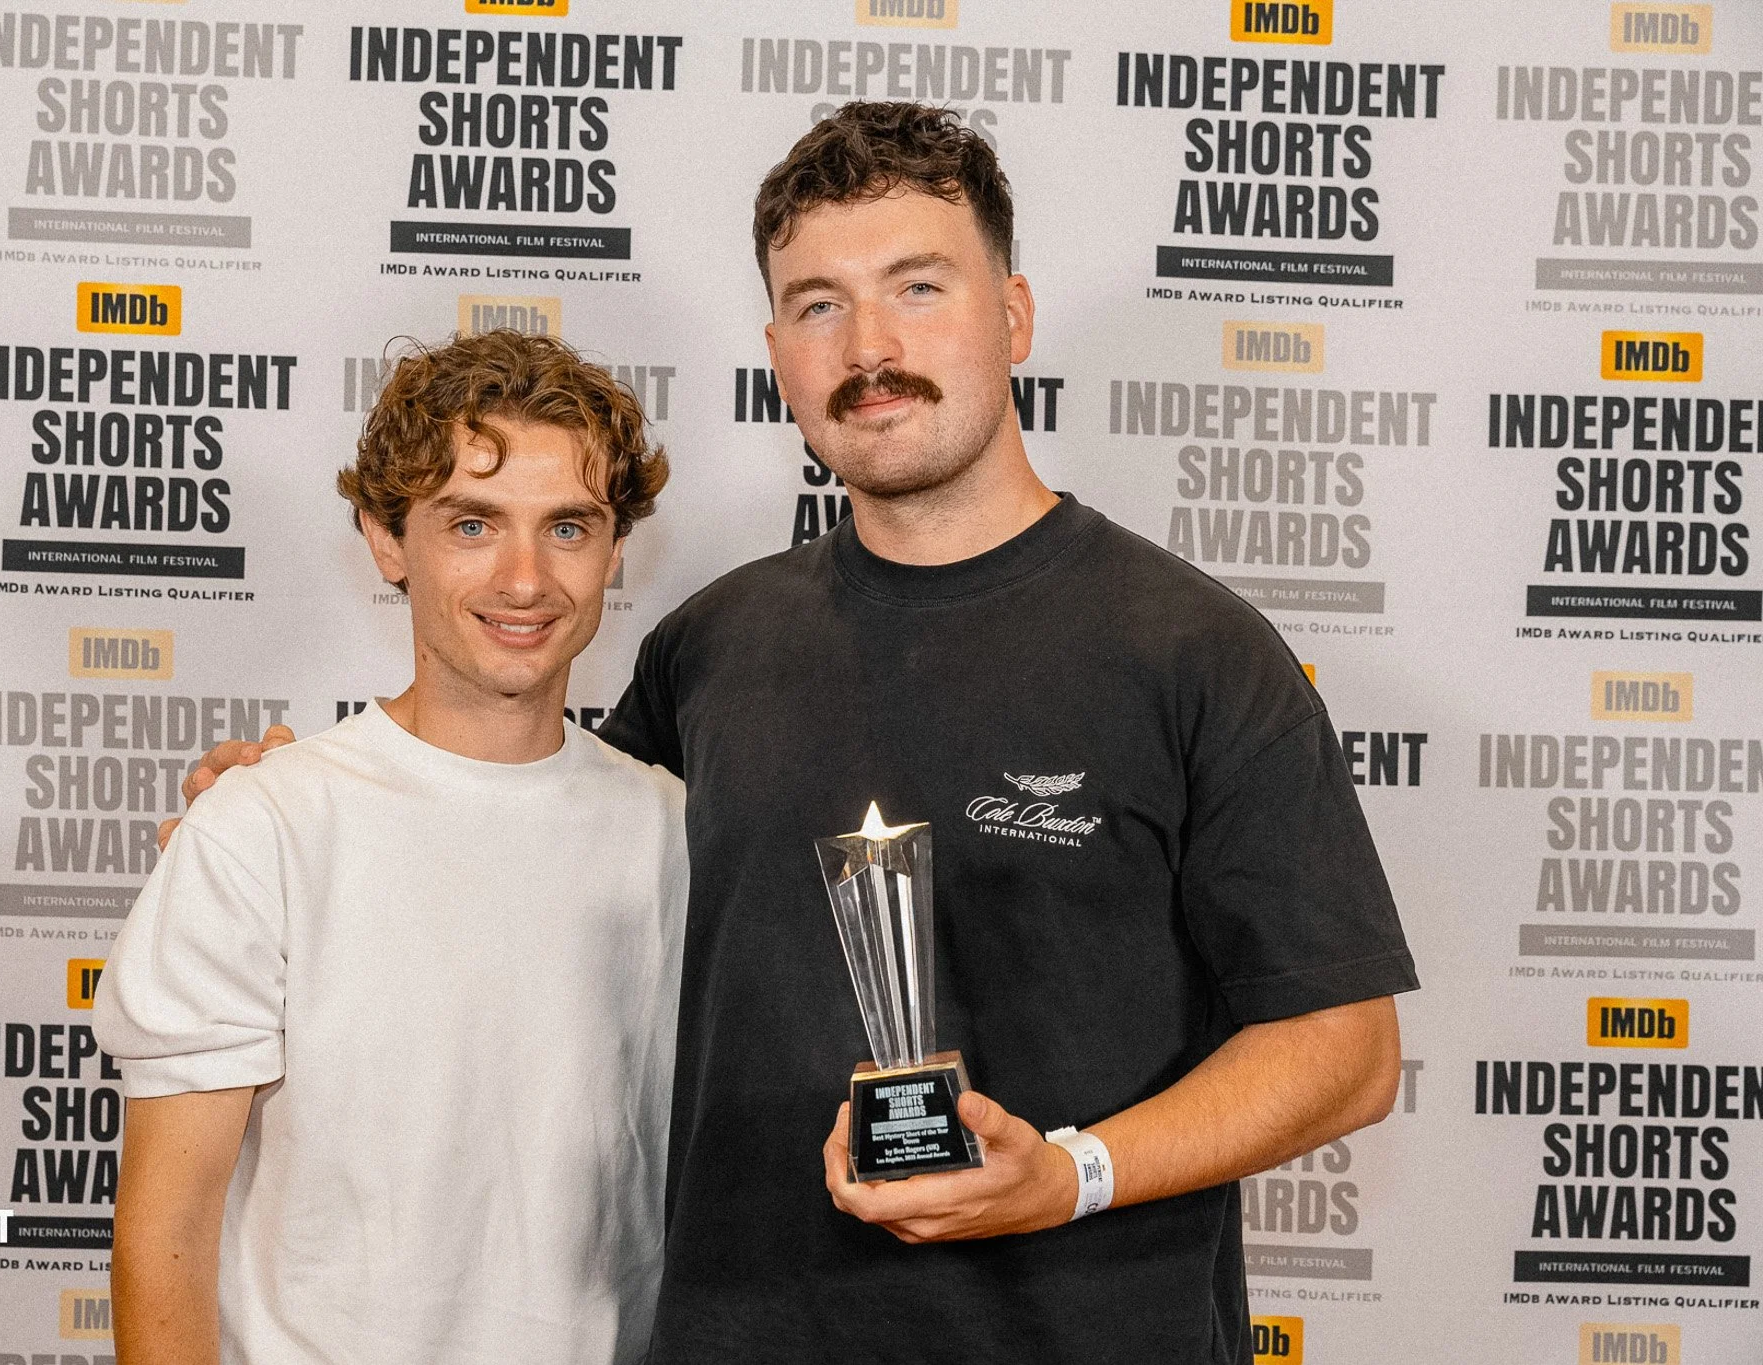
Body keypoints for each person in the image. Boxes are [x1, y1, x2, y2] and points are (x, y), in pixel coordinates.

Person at [170, 103, 1418, 1363]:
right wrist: (299, 802)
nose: (869, 347)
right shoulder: (714, 646)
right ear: (775, 347)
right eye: (818, 305)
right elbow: (529, 830)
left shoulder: (1192, 650)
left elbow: (1347, 1050)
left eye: (917, 287)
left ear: (1014, 316)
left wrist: (1069, 1173)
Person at [95, 329, 686, 1365]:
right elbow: (164, 1233)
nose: (524, 578)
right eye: (471, 523)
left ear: (614, 548)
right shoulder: (263, 827)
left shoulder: (674, 831)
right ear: (384, 538)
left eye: (567, 528)